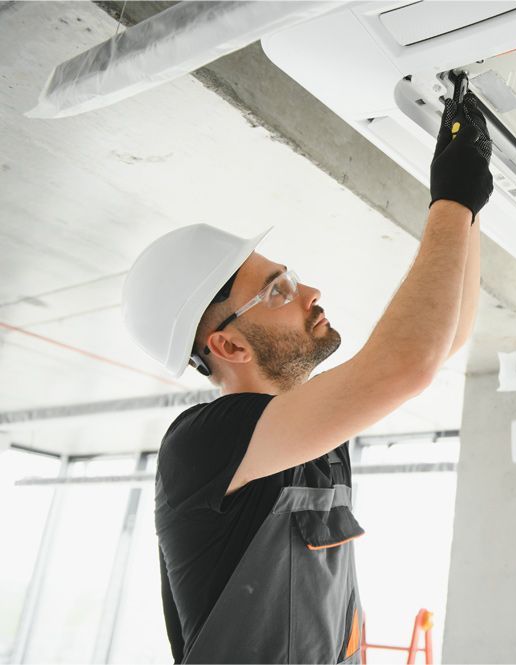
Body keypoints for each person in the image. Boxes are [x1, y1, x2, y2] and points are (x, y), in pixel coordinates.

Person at [121, 92, 493, 664]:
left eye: (288, 278)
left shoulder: (311, 441)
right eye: (277, 290)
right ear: (227, 344)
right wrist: (451, 200)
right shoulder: (203, 442)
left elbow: (440, 343)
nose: (310, 290)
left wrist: (467, 209)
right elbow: (407, 365)